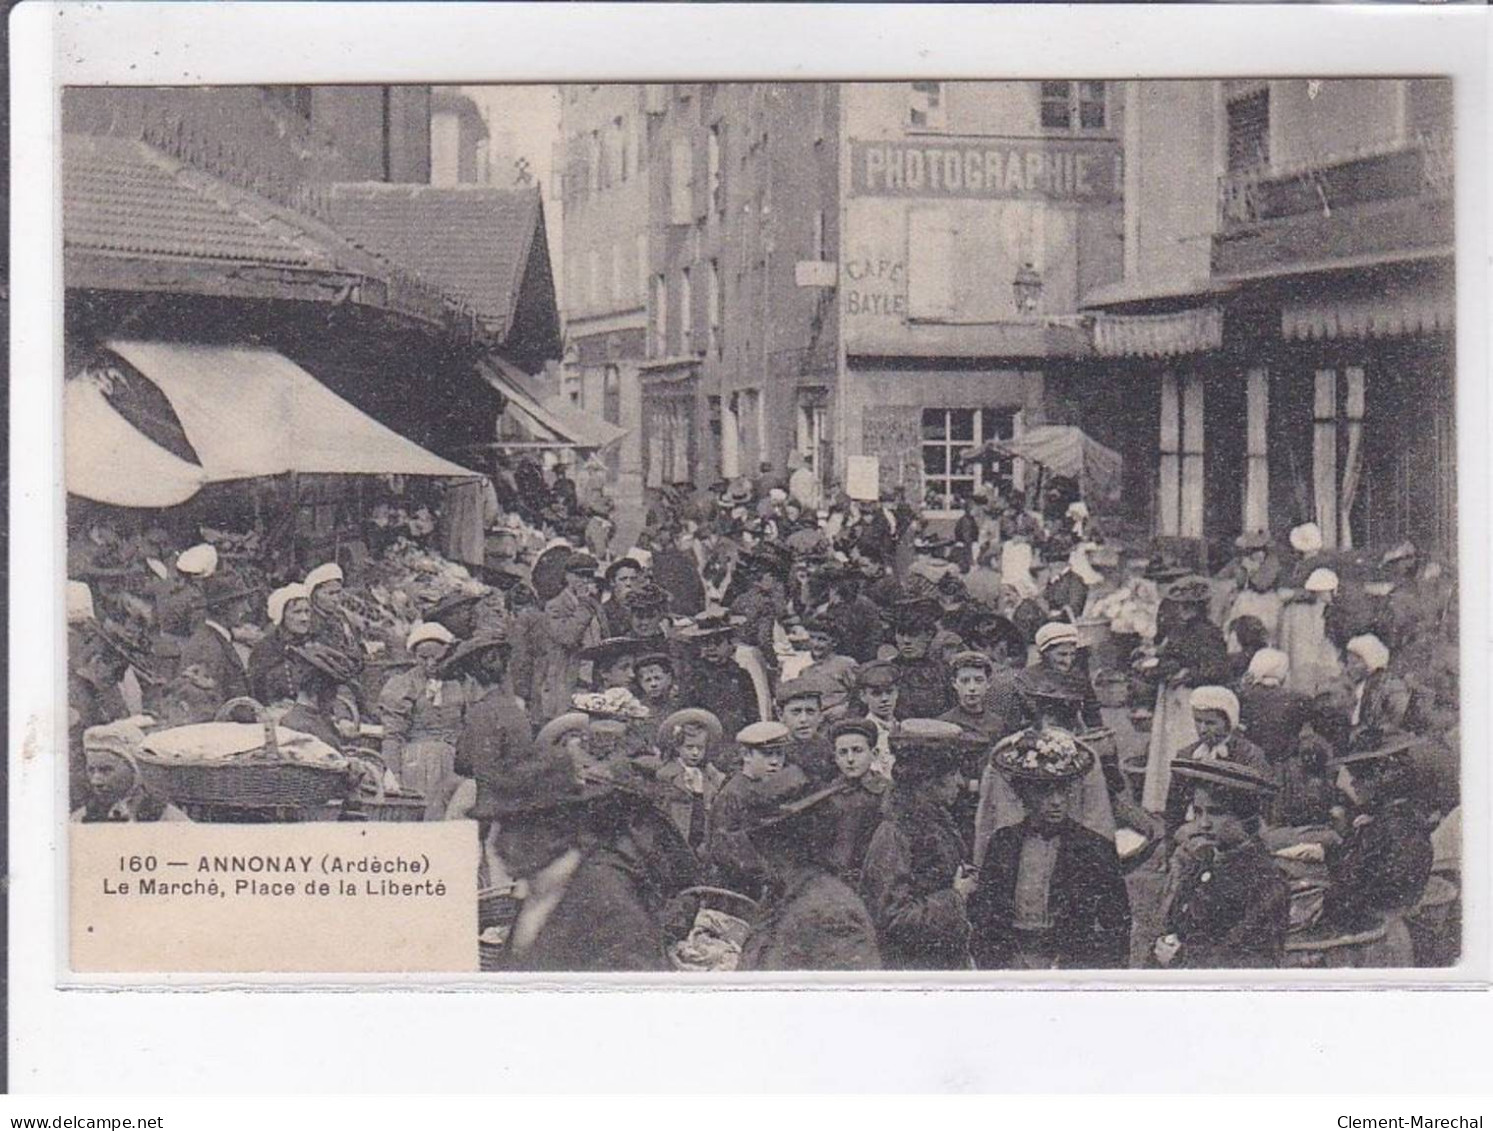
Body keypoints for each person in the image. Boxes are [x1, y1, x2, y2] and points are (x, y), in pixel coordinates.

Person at [480, 751, 668, 972]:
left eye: (512, 829)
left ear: (554, 829)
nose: (498, 844)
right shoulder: (539, 892)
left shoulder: (606, 898)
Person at [969, 729, 1131, 969]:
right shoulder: (1003, 843)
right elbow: (984, 913)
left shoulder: (1094, 848)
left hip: (1069, 964)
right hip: (1011, 961)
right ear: (1023, 794)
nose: (1056, 801)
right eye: (1045, 791)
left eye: (1063, 790)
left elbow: (1117, 925)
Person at [860, 719, 981, 970]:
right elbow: (892, 918)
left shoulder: (934, 819)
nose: (960, 781)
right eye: (953, 773)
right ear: (928, 779)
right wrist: (955, 897)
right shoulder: (894, 834)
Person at [1152, 759, 1289, 969]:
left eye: (1216, 813)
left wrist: (1182, 959)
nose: (1204, 823)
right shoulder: (1203, 861)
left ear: (1246, 818)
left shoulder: (1265, 879)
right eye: (1198, 812)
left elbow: (1254, 962)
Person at [736, 780, 882, 972]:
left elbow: (852, 993)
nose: (756, 853)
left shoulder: (832, 910)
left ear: (781, 846)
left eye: (760, 842)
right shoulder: (780, 894)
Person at [1139, 575, 1229, 813]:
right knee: (1168, 746)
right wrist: (1160, 667)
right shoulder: (1179, 630)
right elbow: (1170, 656)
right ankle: (1164, 799)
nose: (1183, 610)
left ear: (1199, 607)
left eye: (1188, 605)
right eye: (1181, 605)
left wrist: (1188, 675)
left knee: (1187, 743)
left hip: (1193, 698)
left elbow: (1216, 668)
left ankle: (1190, 805)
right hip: (1172, 697)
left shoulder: (1209, 633)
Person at [1319, 745, 1434, 930]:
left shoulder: (1387, 827)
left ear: (1382, 782)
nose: (1353, 785)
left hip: (1379, 927)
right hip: (1393, 918)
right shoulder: (1401, 818)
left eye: (1361, 778)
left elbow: (1366, 885)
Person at [706, 721, 809, 901]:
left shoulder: (770, 790)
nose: (775, 761)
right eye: (767, 754)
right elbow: (726, 849)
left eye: (780, 754)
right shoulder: (733, 794)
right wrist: (769, 874)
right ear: (747, 755)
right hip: (738, 890)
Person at [377, 622, 470, 817]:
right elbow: (393, 734)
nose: (430, 664)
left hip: (455, 762)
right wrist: (392, 773)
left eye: (437, 658)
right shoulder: (404, 684)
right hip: (418, 763)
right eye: (423, 658)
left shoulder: (461, 682)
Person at [1162, 686, 1272, 834]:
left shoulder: (1248, 754)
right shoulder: (1186, 755)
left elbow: (1260, 806)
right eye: (1198, 721)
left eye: (1210, 723)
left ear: (1228, 722)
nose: (1202, 729)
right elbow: (1174, 809)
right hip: (1201, 828)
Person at [450, 631, 534, 821]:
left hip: (493, 809)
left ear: (470, 679)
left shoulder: (482, 712)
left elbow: (482, 771)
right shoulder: (515, 709)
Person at [72, 721, 190, 823]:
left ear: (134, 771)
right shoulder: (80, 819)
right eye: (91, 770)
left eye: (106, 770)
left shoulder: (167, 819)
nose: (95, 781)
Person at [822, 717, 891, 887]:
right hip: (838, 883)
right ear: (835, 758)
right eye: (843, 753)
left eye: (857, 750)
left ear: (873, 754)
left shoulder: (888, 792)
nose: (850, 759)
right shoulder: (828, 796)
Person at [536, 551, 603, 720]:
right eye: (580, 575)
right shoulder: (555, 606)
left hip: (590, 677)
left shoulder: (593, 604)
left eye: (589, 576)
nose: (585, 581)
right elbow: (567, 637)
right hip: (565, 679)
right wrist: (584, 608)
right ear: (567, 576)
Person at [1318, 634, 1411, 754]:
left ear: (1370, 662)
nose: (1350, 668)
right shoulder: (1360, 685)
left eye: (1355, 663)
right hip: (1365, 747)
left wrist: (1369, 732)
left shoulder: (1390, 685)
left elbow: (1396, 719)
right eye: (1349, 663)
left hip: (1387, 747)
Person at [676, 610, 760, 741]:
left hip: (738, 738)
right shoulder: (694, 677)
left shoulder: (741, 675)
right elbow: (687, 714)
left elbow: (752, 713)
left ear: (731, 643)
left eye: (718, 642)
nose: (711, 648)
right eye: (705, 643)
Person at [176, 574, 256, 705]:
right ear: (223, 607)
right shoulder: (208, 647)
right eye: (241, 602)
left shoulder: (214, 638)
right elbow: (206, 703)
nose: (247, 609)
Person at [654, 709, 727, 850]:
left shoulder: (709, 774)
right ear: (677, 747)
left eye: (700, 748)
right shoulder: (667, 774)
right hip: (679, 838)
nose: (695, 753)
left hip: (704, 839)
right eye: (689, 747)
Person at [1015, 622, 1103, 732]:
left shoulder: (1078, 678)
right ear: (1045, 653)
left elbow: (1093, 714)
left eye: (1072, 654)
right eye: (1062, 654)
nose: (1068, 661)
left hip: (1072, 738)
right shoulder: (1027, 678)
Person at [281, 642, 361, 751]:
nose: (334, 699)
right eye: (333, 691)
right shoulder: (322, 733)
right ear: (324, 692)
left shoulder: (288, 720)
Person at [247, 583, 314, 707]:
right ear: (281, 615)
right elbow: (257, 690)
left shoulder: (312, 644)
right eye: (297, 612)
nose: (304, 618)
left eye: (307, 611)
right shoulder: (265, 649)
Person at [887, 598, 954, 719]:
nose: (906, 641)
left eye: (914, 634)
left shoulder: (944, 672)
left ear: (929, 635)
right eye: (901, 634)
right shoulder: (886, 670)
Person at [773, 679, 836, 784]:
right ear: (780, 714)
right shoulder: (770, 749)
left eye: (810, 711)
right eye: (796, 712)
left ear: (820, 715)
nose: (804, 719)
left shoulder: (828, 749)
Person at [796, 616, 859, 719]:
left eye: (822, 639)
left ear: (834, 642)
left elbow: (859, 695)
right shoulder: (806, 671)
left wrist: (845, 709)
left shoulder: (845, 664)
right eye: (812, 638)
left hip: (841, 719)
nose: (815, 644)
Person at [853, 660, 901, 779]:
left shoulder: (902, 728)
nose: (884, 699)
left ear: (897, 693)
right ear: (863, 696)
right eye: (876, 694)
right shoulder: (863, 734)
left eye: (889, 692)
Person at [304, 561, 360, 657]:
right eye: (330, 593)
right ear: (315, 595)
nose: (335, 599)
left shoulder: (341, 616)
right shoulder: (308, 621)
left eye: (338, 593)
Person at [597, 557, 645, 639]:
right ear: (612, 582)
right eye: (623, 579)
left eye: (633, 579)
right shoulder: (603, 612)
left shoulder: (645, 608)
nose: (629, 583)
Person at [633, 651, 681, 720]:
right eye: (648, 680)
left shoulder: (680, 704)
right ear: (641, 684)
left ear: (669, 678)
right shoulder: (637, 708)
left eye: (657, 678)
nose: (653, 684)